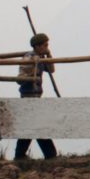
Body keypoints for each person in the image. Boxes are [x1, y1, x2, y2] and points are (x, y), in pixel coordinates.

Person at [14, 32, 57, 161]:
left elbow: (51, 69)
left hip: (36, 97)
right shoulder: (29, 58)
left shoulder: (41, 58)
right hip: (28, 97)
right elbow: (20, 78)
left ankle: (20, 155)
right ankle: (50, 155)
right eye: (45, 45)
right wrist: (32, 74)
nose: (46, 47)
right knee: (38, 126)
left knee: (30, 127)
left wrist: (48, 55)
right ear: (37, 46)